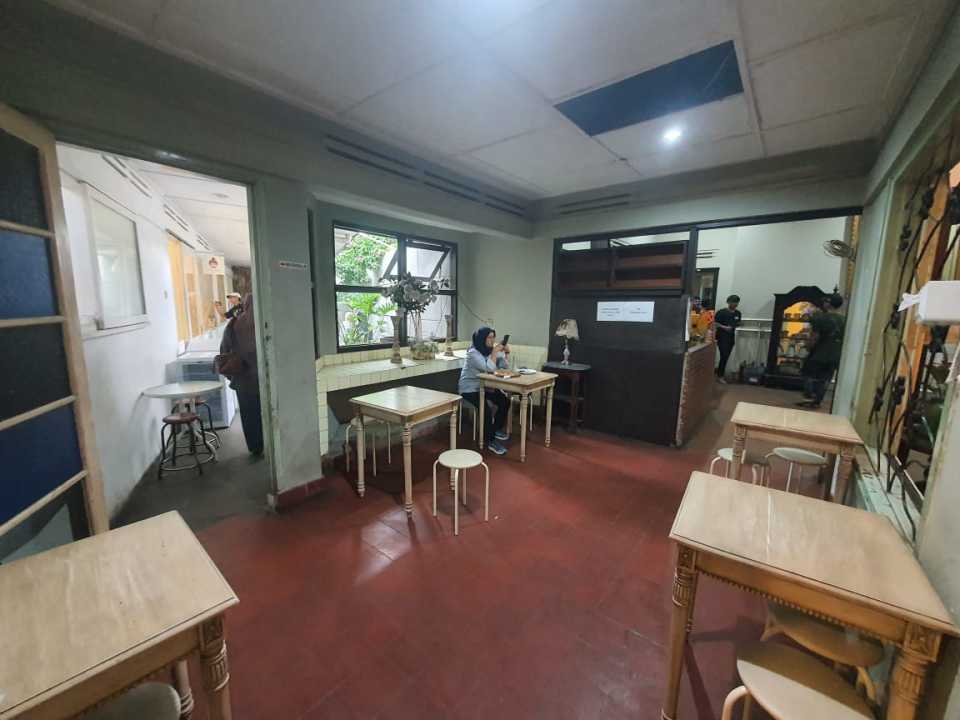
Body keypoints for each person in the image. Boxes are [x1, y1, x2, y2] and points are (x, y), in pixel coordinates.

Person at [219, 294, 263, 454]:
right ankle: (274, 447)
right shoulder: (267, 323)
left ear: (245, 304)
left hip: (243, 380)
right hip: (267, 380)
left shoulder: (233, 325)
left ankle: (256, 447)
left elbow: (224, 351)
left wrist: (233, 375)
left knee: (248, 414)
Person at [458, 326, 511, 455]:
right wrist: (495, 352)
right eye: (489, 337)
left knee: (504, 401)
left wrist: (506, 353)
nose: (492, 340)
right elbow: (489, 368)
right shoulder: (473, 353)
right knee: (485, 408)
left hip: (484, 386)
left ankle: (494, 429)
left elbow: (504, 366)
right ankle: (490, 441)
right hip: (469, 388)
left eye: (494, 337)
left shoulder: (489, 351)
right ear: (482, 338)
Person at [798, 294, 846, 409]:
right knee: (825, 378)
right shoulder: (844, 320)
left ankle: (808, 398)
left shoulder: (820, 318)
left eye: (825, 301)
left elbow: (814, 337)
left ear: (829, 303)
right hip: (835, 354)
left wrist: (807, 346)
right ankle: (817, 401)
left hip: (819, 352)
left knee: (808, 373)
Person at [714, 294, 741, 383]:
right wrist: (724, 327)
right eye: (733, 302)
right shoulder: (721, 312)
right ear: (728, 302)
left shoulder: (738, 313)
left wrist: (737, 324)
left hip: (731, 338)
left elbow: (737, 323)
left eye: (737, 302)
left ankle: (719, 373)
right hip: (722, 337)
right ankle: (720, 375)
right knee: (724, 355)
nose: (735, 304)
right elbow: (715, 323)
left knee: (725, 357)